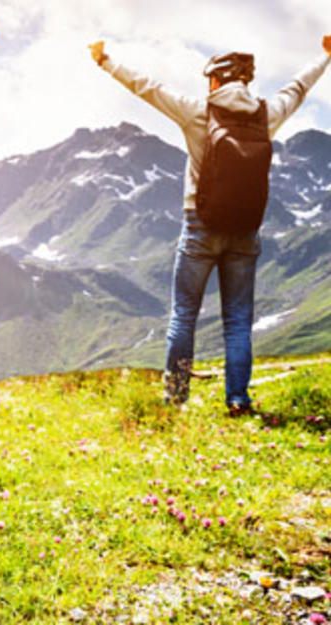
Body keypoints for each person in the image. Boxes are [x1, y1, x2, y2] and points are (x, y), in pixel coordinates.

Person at [89, 36, 331, 414]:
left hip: (199, 227)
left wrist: (105, 60)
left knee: (184, 314)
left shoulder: (198, 111)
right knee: (238, 321)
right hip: (245, 232)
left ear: (217, 79)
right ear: (245, 80)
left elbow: (147, 88)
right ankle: (237, 399)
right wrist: (326, 56)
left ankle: (176, 398)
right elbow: (298, 88)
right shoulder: (266, 114)